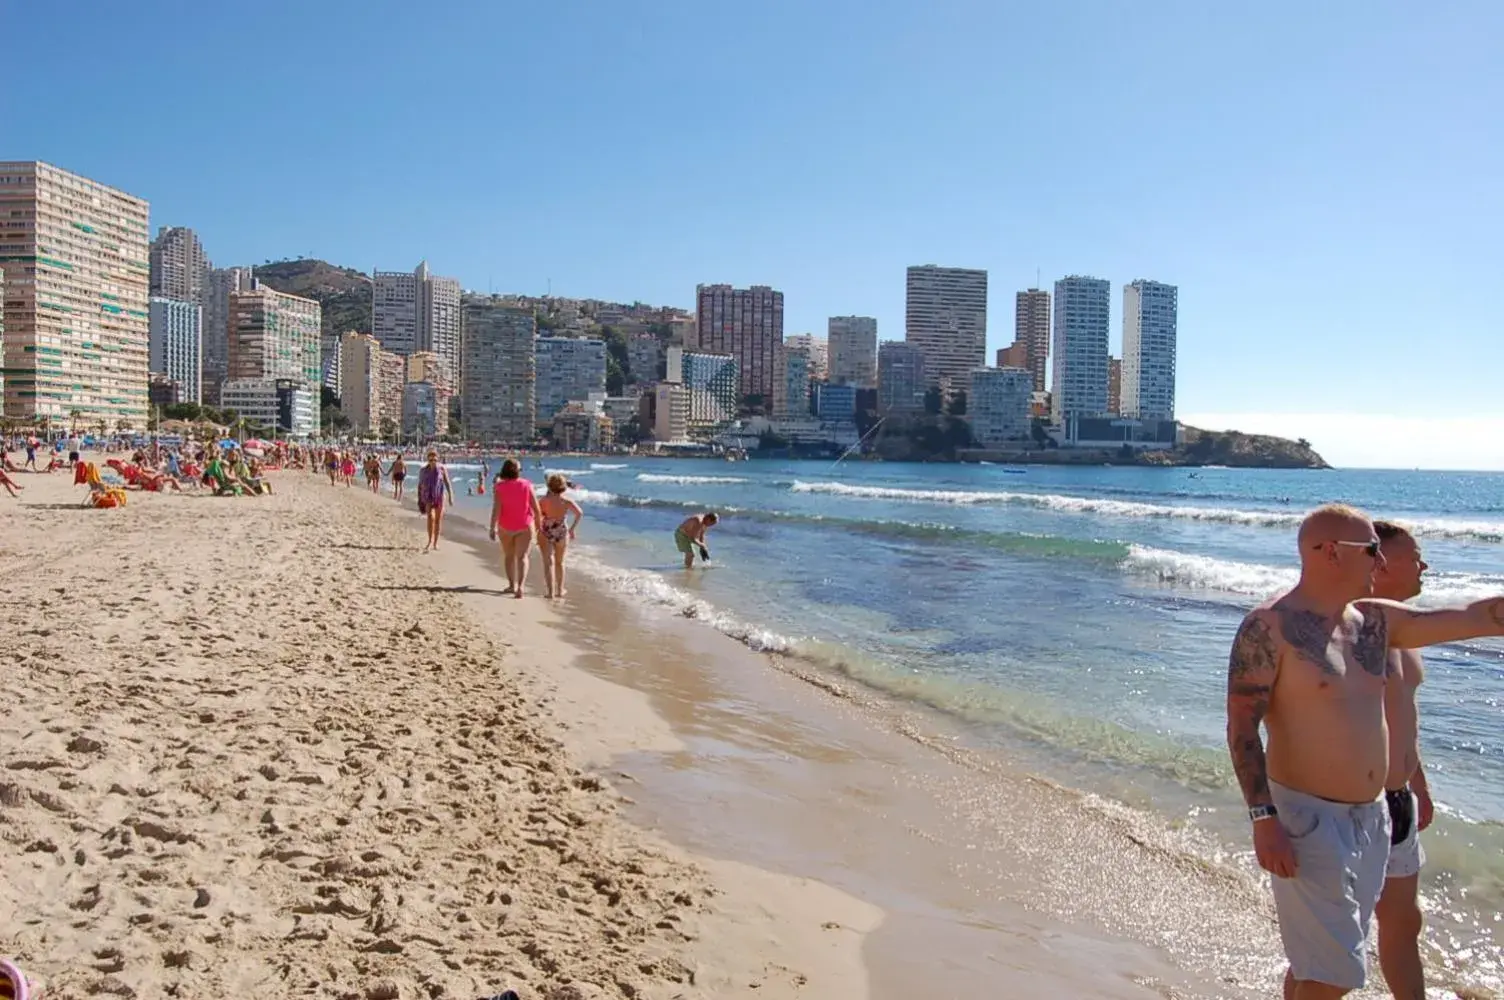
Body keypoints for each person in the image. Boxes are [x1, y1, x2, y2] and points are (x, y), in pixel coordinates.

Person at [1225, 503, 1504, 999]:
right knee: (1335, 972)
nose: (1381, 561)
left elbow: (1470, 617)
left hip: (1372, 819)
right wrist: (1263, 818)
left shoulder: (1374, 622)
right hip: (1307, 819)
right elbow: (1242, 727)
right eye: (1372, 549)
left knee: (1321, 960)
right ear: (1330, 552)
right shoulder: (1270, 627)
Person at [1370, 521, 1433, 1000]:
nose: (1424, 565)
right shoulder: (1350, 629)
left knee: (1403, 922)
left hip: (1399, 802)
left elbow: (1402, 719)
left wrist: (1420, 786)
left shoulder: (1405, 633)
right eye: (1415, 556)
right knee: (1335, 941)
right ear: (1383, 565)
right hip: (1353, 803)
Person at [489, 458, 541, 598]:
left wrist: (492, 527)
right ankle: (521, 587)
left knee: (509, 556)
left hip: (505, 526)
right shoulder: (527, 485)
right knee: (522, 557)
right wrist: (539, 527)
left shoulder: (499, 487)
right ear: (518, 471)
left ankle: (512, 585)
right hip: (525, 525)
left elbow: (496, 509)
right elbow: (536, 509)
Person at [536, 474, 583, 599]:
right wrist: (572, 529)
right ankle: (560, 590)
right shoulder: (566, 501)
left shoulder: (543, 501)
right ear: (564, 487)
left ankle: (550, 592)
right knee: (560, 562)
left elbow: (537, 515)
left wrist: (537, 527)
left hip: (547, 530)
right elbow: (579, 513)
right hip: (561, 531)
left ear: (549, 486)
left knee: (548, 562)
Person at [417, 450, 454, 552]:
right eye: (431, 459)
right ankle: (429, 541)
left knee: (438, 520)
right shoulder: (423, 471)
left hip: (440, 497)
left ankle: (435, 543)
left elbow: (447, 483)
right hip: (428, 497)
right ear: (427, 459)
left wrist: (451, 496)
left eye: (434, 459)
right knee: (430, 517)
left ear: (437, 459)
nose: (433, 461)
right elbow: (420, 485)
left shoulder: (442, 469)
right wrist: (419, 498)